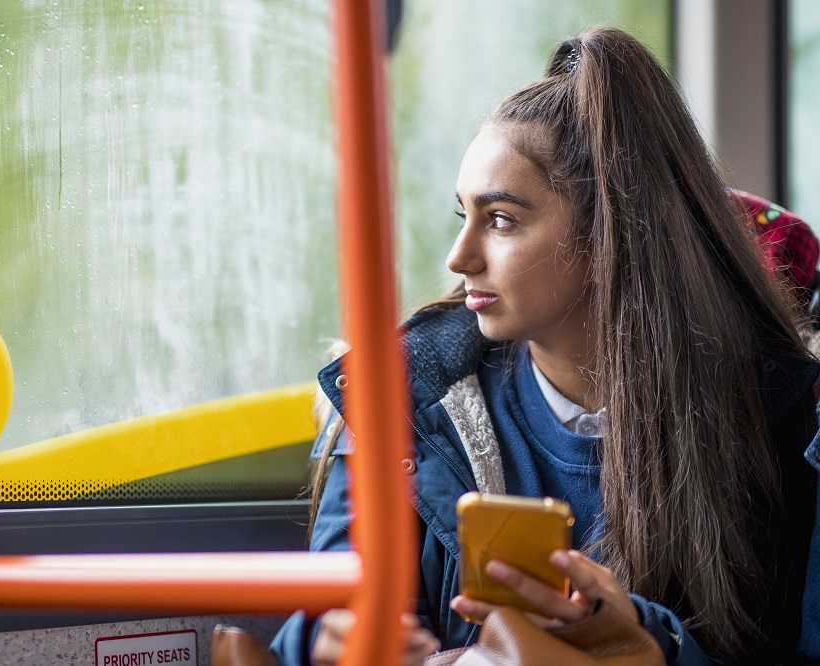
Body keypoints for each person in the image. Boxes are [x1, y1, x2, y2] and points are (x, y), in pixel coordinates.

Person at [270, 27, 820, 666]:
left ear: (606, 237)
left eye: (500, 219)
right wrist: (324, 643)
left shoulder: (784, 422)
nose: (460, 256)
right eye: (462, 216)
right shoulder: (400, 402)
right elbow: (325, 617)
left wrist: (651, 646)